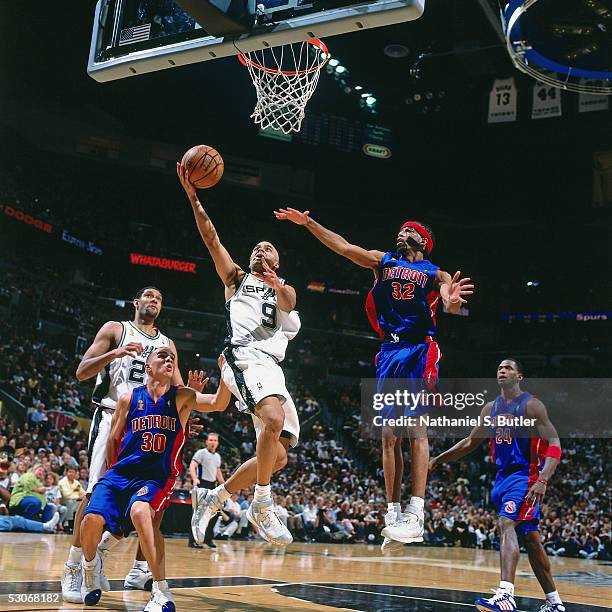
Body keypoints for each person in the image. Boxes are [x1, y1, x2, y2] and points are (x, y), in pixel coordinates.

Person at [274, 207, 473, 551]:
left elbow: (448, 299)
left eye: (407, 231)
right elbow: (343, 247)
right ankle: (393, 514)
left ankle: (417, 512)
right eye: (400, 230)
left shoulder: (433, 272)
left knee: (415, 430)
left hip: (417, 350)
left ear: (422, 241)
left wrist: (451, 302)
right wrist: (308, 224)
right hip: (388, 353)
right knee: (387, 438)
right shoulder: (384, 260)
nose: (400, 234)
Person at [178, 163, 301, 547]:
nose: (259, 248)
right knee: (273, 418)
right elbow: (212, 238)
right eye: (256, 247)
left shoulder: (283, 293)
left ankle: (216, 497)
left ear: (277, 263)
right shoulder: (237, 279)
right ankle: (261, 505)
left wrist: (275, 280)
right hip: (243, 357)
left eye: (267, 248)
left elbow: (290, 300)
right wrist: (194, 196)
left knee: (278, 456)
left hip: (271, 369)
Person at [79, 346, 230, 610]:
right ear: (148, 368)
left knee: (140, 513)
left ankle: (160, 590)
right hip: (121, 473)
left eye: (172, 357)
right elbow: (114, 439)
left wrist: (227, 370)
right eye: (162, 356)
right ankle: (89, 568)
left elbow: (218, 402)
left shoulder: (182, 396)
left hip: (156, 477)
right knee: (91, 519)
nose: (169, 358)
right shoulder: (128, 399)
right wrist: (113, 472)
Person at [62, 286, 186, 603]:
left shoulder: (167, 344)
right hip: (113, 417)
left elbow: (180, 391)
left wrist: (187, 416)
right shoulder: (116, 329)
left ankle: (138, 570)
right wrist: (115, 353)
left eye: (159, 297)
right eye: (147, 295)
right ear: (136, 302)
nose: (154, 299)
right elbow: (81, 372)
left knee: (153, 505)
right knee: (93, 494)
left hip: (151, 425)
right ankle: (74, 565)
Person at [429, 358, 565, 612]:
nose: (502, 371)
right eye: (500, 368)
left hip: (526, 476)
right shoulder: (490, 408)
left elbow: (555, 444)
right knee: (532, 540)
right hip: (503, 477)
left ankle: (505, 594)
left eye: (508, 368)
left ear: (519, 376)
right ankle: (555, 603)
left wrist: (543, 479)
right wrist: (437, 459)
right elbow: (471, 442)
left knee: (506, 522)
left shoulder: (533, 406)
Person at [188, 432, 224, 548]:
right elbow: (192, 466)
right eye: (211, 440)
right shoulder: (201, 453)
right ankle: (192, 541)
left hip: (213, 485)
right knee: (198, 514)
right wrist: (194, 478)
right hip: (202, 484)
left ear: (217, 443)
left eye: (215, 440)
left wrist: (224, 484)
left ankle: (208, 539)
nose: (213, 442)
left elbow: (217, 471)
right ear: (207, 442)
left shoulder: (217, 456)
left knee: (214, 513)